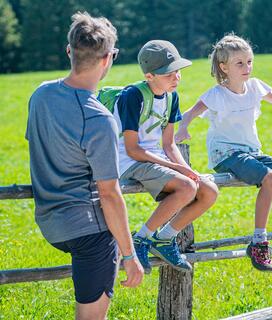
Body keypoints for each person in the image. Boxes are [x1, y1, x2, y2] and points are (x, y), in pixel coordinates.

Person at [26, 12, 143, 320]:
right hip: (89, 232)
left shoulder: (40, 95)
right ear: (107, 59)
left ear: (69, 51)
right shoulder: (98, 119)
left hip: (51, 223)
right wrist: (129, 255)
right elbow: (109, 194)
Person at [175, 34, 272, 272]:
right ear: (224, 67)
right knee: (271, 179)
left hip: (253, 152)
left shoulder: (255, 86)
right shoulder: (217, 94)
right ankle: (259, 241)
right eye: (239, 63)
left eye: (249, 61)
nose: (247, 67)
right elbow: (189, 113)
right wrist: (182, 128)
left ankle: (259, 240)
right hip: (226, 155)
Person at [113, 40, 218, 274]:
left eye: (178, 71)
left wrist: (187, 169)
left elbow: (169, 144)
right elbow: (132, 149)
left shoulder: (172, 97)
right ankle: (140, 239)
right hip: (129, 162)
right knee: (187, 187)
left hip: (154, 159)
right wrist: (176, 169)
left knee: (209, 190)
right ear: (150, 76)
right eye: (169, 73)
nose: (176, 77)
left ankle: (164, 239)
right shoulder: (133, 96)